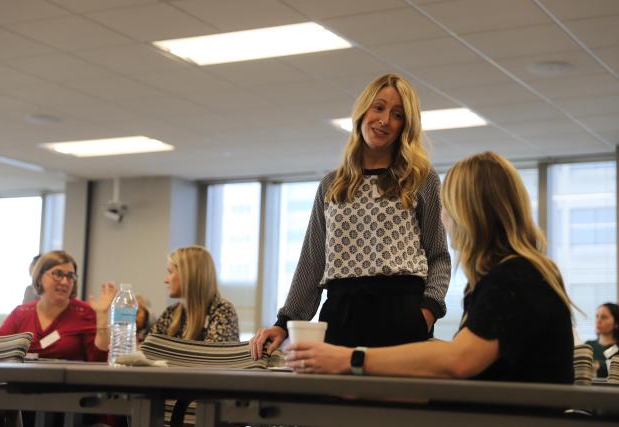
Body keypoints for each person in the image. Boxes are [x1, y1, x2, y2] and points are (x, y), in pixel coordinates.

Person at [285, 151, 575, 384]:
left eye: (447, 206)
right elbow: (458, 353)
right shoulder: (517, 274)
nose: (444, 217)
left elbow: (459, 361)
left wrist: (349, 360)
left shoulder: (514, 279)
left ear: (468, 213)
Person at [251, 73, 451, 359]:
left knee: (396, 403)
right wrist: (283, 323)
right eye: (378, 108)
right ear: (363, 112)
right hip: (341, 313)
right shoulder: (332, 184)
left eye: (397, 115)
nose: (384, 120)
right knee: (336, 400)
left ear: (405, 126)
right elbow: (312, 260)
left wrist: (427, 312)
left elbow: (439, 256)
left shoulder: (421, 179)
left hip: (401, 311)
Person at [0, 250, 117, 361]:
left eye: (70, 276)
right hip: (22, 388)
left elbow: (99, 359)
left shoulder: (84, 312)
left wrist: (102, 315)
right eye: (58, 274)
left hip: (70, 391)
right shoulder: (22, 313)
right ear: (39, 277)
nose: (64, 281)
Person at [150, 246, 239, 342]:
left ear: (187, 276)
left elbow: (213, 355)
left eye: (170, 272)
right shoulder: (171, 312)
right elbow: (148, 348)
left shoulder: (223, 311)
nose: (166, 280)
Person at [586, 302, 619, 377]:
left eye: (604, 317)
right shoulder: (588, 345)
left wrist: (597, 365)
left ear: (616, 323)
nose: (598, 321)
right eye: (597, 316)